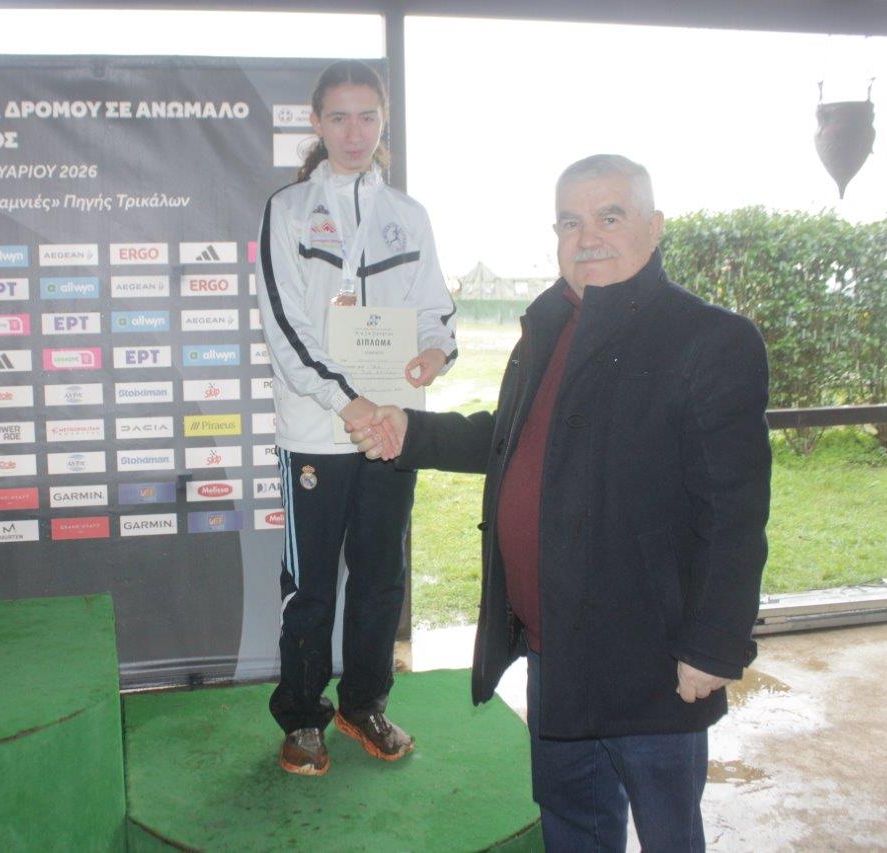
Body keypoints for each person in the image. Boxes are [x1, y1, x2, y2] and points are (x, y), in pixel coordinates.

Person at [352, 155, 770, 850]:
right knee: (574, 825)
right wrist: (411, 430)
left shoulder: (710, 339)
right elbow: (512, 436)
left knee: (668, 832)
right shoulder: (551, 325)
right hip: (555, 650)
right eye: (570, 222)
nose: (588, 237)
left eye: (610, 217)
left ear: (654, 227)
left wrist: (715, 646)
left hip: (653, 664)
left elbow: (735, 516)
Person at [255, 59, 458, 776]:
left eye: (367, 116)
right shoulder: (287, 210)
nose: (354, 131)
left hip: (392, 430)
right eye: (338, 117)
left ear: (383, 120)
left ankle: (363, 704)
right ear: (316, 122)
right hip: (319, 431)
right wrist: (351, 402)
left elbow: (437, 312)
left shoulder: (409, 214)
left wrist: (432, 355)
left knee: (380, 577)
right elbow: (285, 332)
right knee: (310, 586)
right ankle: (302, 715)